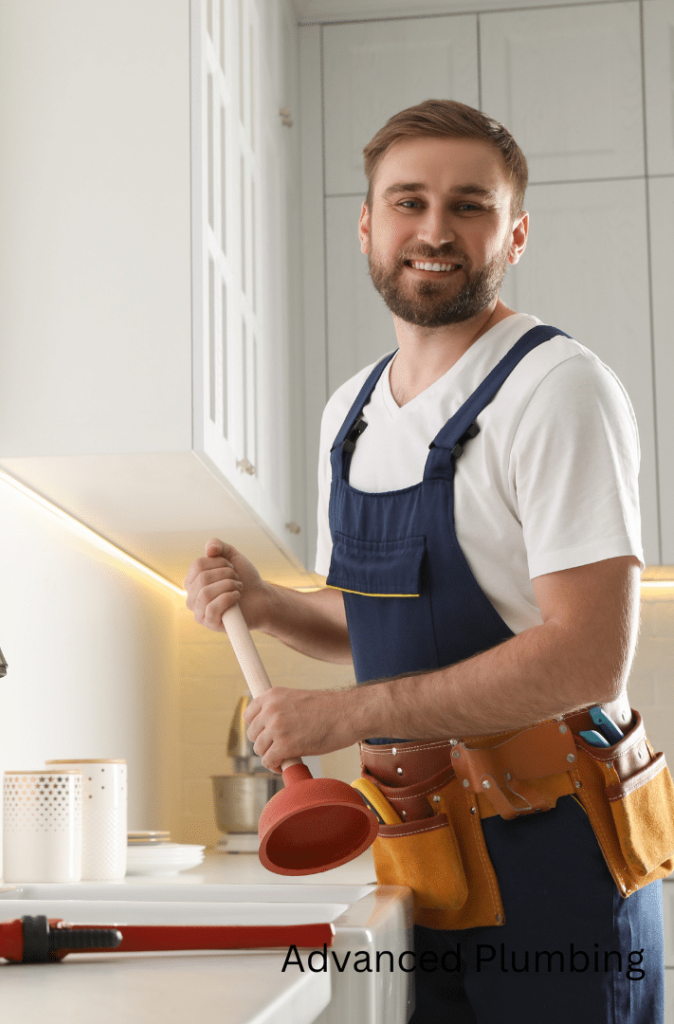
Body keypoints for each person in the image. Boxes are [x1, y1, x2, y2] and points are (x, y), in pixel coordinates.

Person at [184, 100, 671, 1023]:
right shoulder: (351, 413)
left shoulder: (557, 389)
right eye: (407, 202)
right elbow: (383, 614)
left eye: (470, 205)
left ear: (515, 231)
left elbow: (585, 656)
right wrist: (271, 603)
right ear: (367, 225)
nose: (435, 230)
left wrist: (346, 716)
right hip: (424, 849)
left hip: (555, 844)